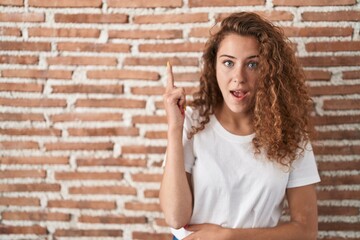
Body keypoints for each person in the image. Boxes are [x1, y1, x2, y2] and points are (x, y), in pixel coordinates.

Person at [160, 12, 320, 240]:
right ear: (213, 66)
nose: (238, 77)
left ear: (269, 71)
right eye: (228, 62)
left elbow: (306, 230)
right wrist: (175, 129)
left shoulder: (291, 134)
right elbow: (176, 217)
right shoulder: (191, 122)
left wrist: (230, 236)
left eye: (253, 64)